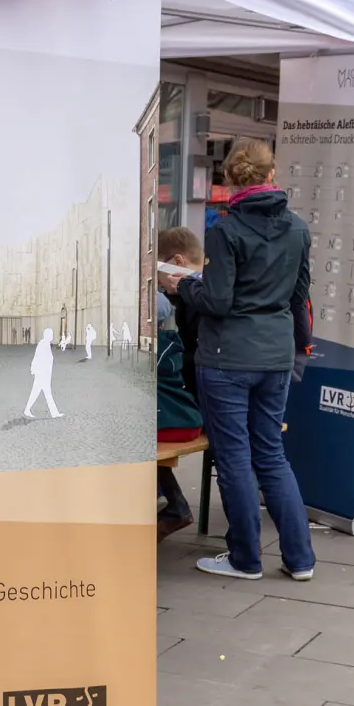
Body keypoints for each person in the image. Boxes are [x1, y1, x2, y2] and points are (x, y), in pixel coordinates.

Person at [160, 137, 315, 582]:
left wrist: (184, 286)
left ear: (229, 180)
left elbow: (218, 301)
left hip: (227, 357)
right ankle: (301, 558)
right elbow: (299, 296)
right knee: (271, 454)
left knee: (234, 456)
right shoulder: (298, 229)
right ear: (271, 176)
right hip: (275, 355)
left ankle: (246, 558)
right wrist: (298, 349)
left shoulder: (225, 231)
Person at [154, 227, 206, 540]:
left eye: (157, 269)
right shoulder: (204, 290)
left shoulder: (194, 295)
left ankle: (174, 504)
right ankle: (172, 502)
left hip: (198, 409)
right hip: (201, 406)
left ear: (175, 261)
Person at [24, 329, 63, 419]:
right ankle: (54, 413)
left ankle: (28, 409)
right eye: (51, 334)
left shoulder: (45, 344)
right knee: (43, 393)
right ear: (47, 335)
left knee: (39, 392)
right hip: (42, 374)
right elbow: (39, 357)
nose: (52, 336)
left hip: (44, 373)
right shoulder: (43, 344)